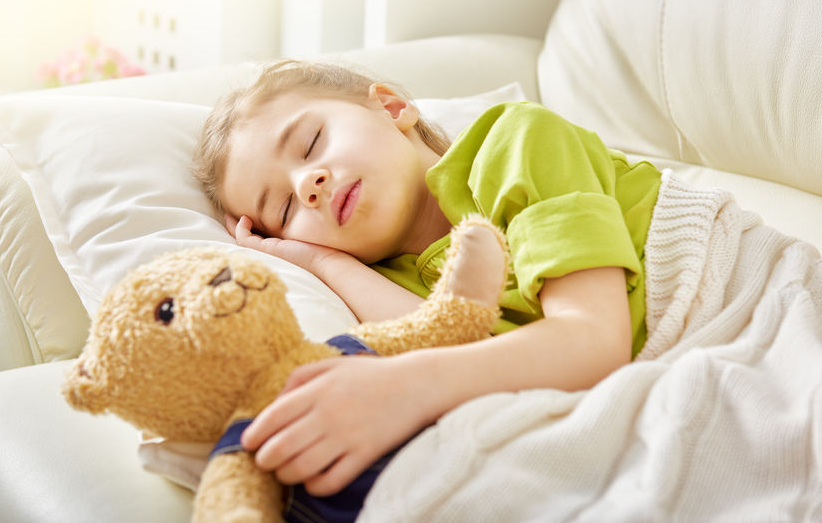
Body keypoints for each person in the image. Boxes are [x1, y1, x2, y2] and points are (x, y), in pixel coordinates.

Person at [193, 59, 661, 499]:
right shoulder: (380, 283)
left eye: (312, 142)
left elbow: (596, 341)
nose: (307, 185)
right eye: (285, 209)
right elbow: (460, 348)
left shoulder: (513, 143)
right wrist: (324, 265)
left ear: (392, 107)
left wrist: (404, 387)